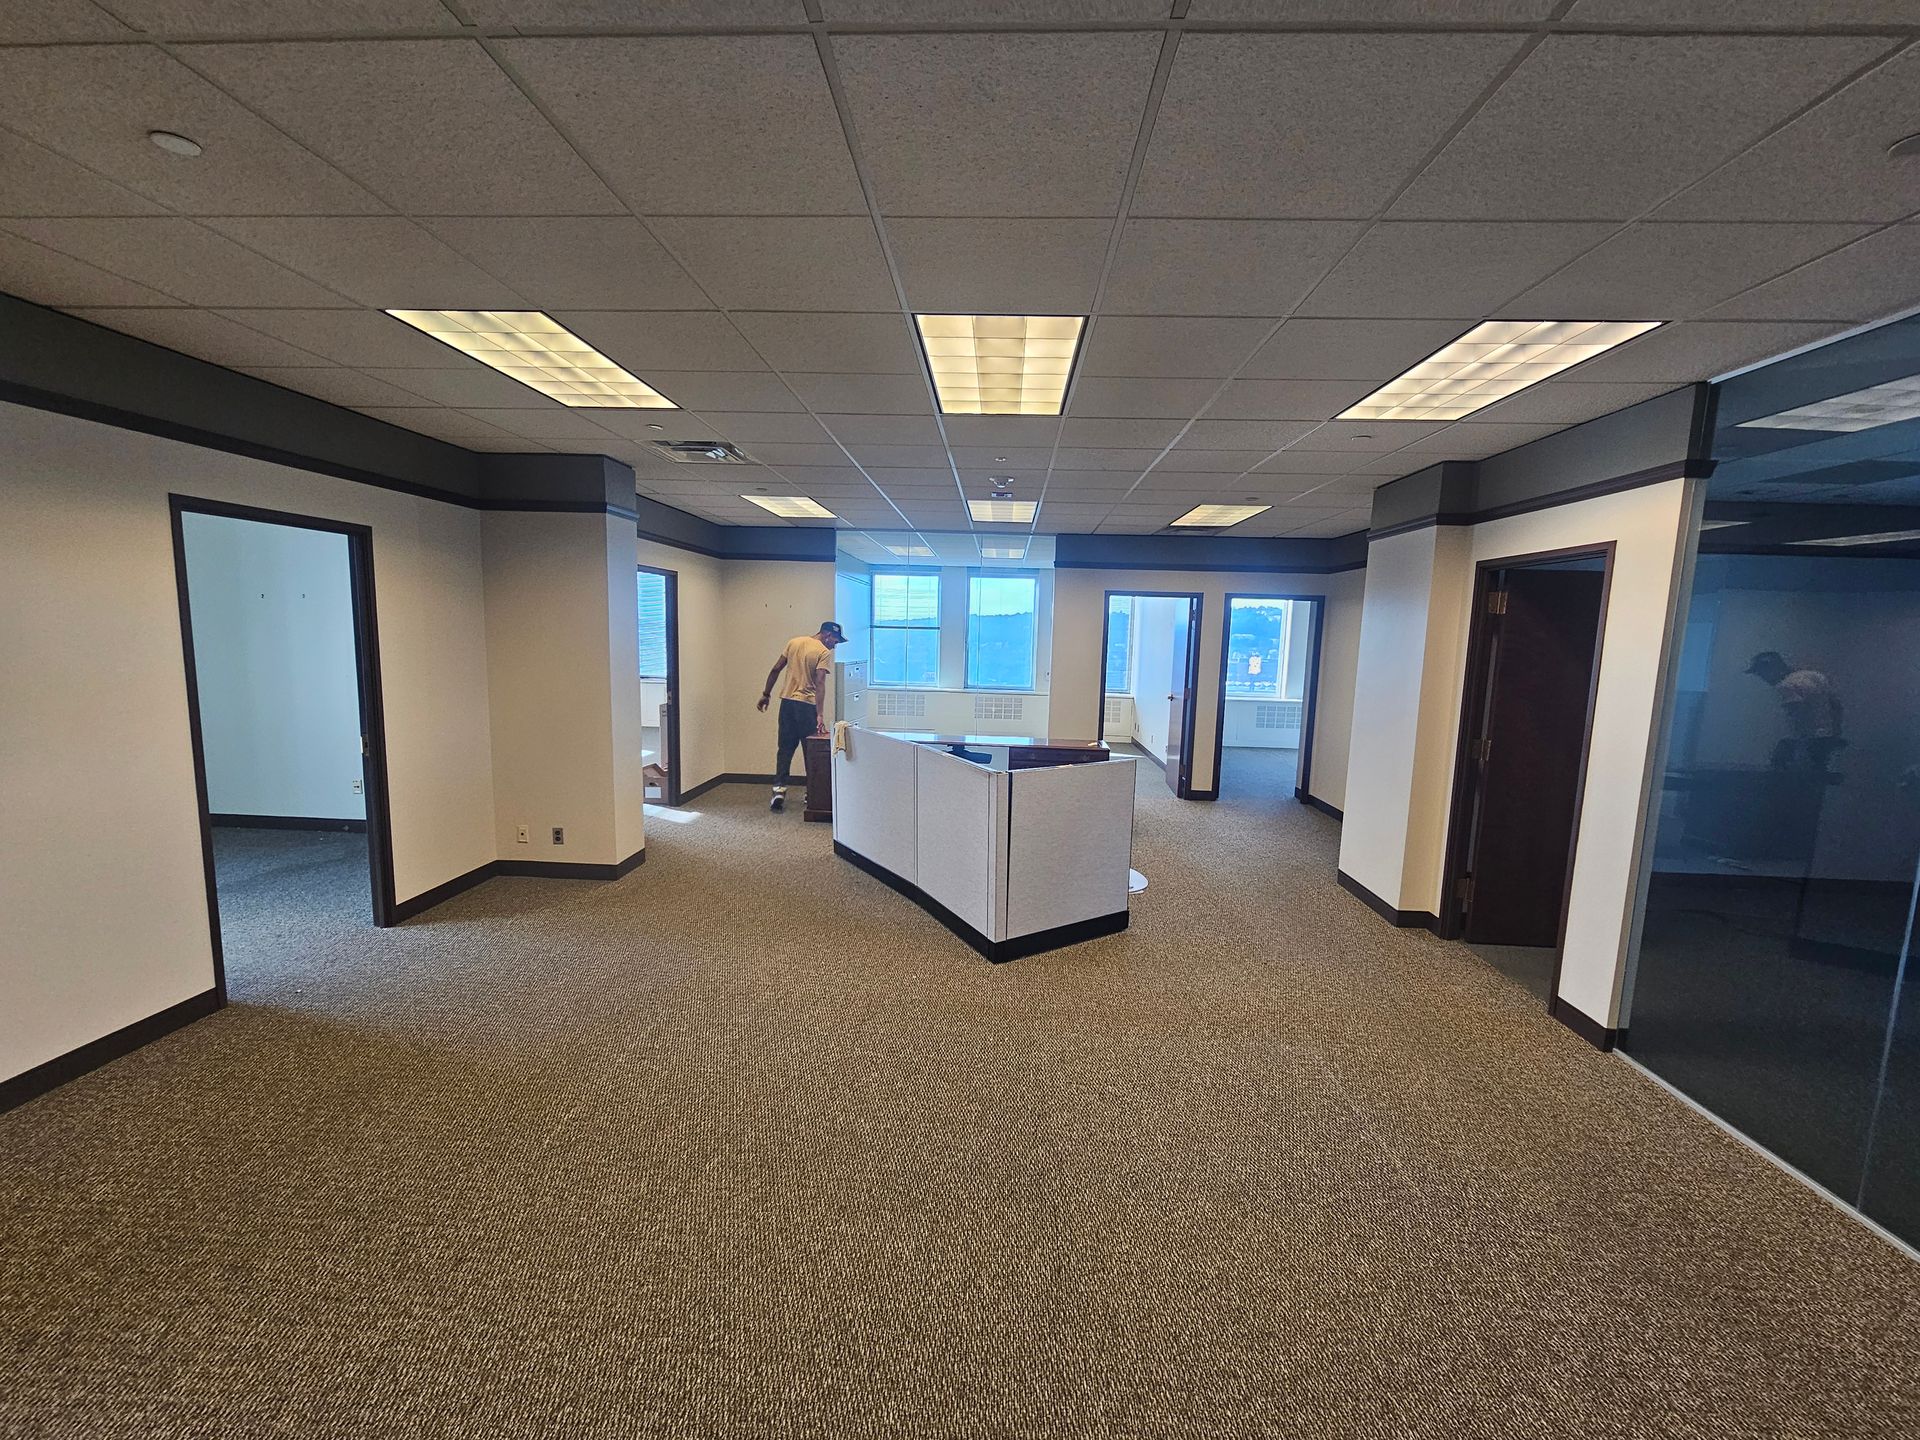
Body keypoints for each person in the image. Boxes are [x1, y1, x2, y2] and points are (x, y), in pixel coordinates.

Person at [757, 620, 845, 812]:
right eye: (835, 641)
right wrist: (819, 714)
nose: (834, 646)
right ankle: (811, 793)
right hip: (806, 706)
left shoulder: (794, 642)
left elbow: (776, 669)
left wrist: (766, 694)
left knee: (785, 748)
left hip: (787, 703)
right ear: (828, 635)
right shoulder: (823, 652)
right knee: (810, 751)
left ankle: (778, 790)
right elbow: (820, 682)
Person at [1745, 650, 1845, 772]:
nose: (1763, 678)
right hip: (1827, 738)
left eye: (1762, 674)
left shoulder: (1786, 686)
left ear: (1772, 669)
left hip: (1809, 742)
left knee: (1784, 774)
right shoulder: (1814, 676)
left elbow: (1798, 717)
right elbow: (1836, 706)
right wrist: (1835, 734)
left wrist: (1801, 748)